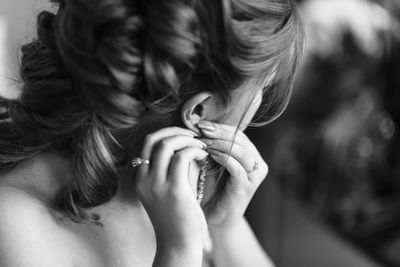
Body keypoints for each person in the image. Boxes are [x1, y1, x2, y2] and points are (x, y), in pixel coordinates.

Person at [0, 0, 304, 266]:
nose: (258, 100)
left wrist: (224, 227)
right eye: (262, 89)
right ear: (199, 110)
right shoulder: (15, 226)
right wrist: (179, 251)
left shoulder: (184, 174)